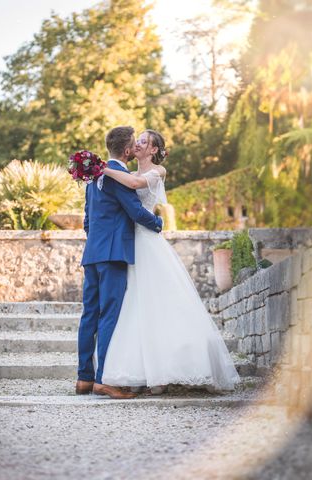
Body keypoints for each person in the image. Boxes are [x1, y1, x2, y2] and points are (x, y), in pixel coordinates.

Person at [100, 129, 240, 393]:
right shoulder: (127, 172)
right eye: (137, 140)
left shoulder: (157, 171)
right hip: (130, 243)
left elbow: (135, 186)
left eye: (144, 141)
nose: (138, 144)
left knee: (163, 302)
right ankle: (150, 371)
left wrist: (101, 169)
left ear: (153, 150)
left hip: (148, 242)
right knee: (137, 304)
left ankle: (177, 367)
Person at [76, 126, 163, 400]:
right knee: (110, 315)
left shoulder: (92, 179)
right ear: (127, 151)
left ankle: (83, 378)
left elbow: (87, 221)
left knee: (89, 314)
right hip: (114, 255)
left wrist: (97, 243)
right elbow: (136, 211)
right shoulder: (121, 177)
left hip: (92, 254)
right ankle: (104, 380)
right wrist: (158, 223)